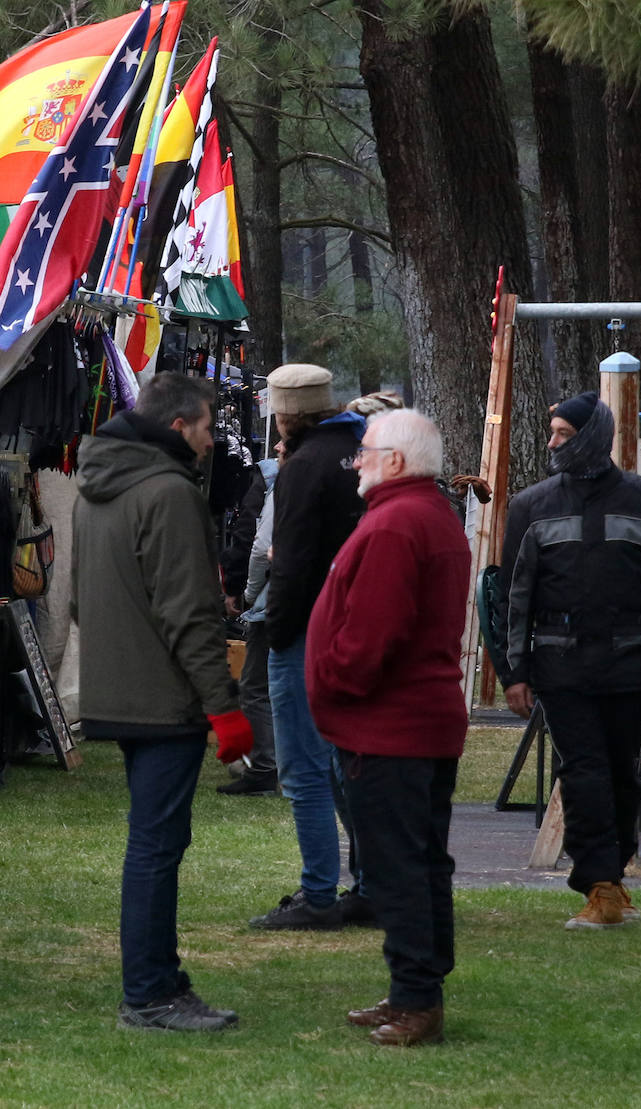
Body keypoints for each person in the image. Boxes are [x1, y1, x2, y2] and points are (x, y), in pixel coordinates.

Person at [72, 372, 254, 1031]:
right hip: (162, 697)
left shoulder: (98, 486)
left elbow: (76, 601)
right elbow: (191, 614)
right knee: (155, 846)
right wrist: (223, 705)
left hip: (119, 689)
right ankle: (149, 993)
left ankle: (158, 980)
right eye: (207, 426)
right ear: (180, 426)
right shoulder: (169, 492)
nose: (211, 441)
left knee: (154, 842)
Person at [307, 409, 470, 1047]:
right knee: (418, 862)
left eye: (365, 451)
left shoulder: (399, 522)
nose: (357, 462)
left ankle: (418, 998)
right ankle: (413, 988)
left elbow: (370, 638)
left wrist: (334, 685)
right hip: (409, 723)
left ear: (396, 461)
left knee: (399, 866)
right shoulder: (419, 516)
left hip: (389, 728)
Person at [502, 390, 641, 929]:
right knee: (583, 771)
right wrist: (514, 673)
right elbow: (513, 598)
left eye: (563, 433)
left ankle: (614, 877)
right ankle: (600, 885)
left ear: (591, 437)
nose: (552, 443)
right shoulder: (530, 506)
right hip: (560, 668)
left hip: (629, 664)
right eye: (553, 432)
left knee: (622, 775)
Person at [250, 363, 371, 931]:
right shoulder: (365, 448)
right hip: (361, 629)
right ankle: (371, 883)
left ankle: (319, 891)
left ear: (286, 412)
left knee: (304, 768)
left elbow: (293, 560)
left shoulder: (304, 466)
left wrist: (276, 629)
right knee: (349, 766)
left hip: (307, 631)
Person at [218, 441, 284, 796]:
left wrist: (243, 591)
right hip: (315, 600)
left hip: (273, 598)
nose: (276, 444)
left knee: (257, 687)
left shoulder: (274, 478)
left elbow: (255, 544)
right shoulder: (343, 474)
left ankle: (264, 767)